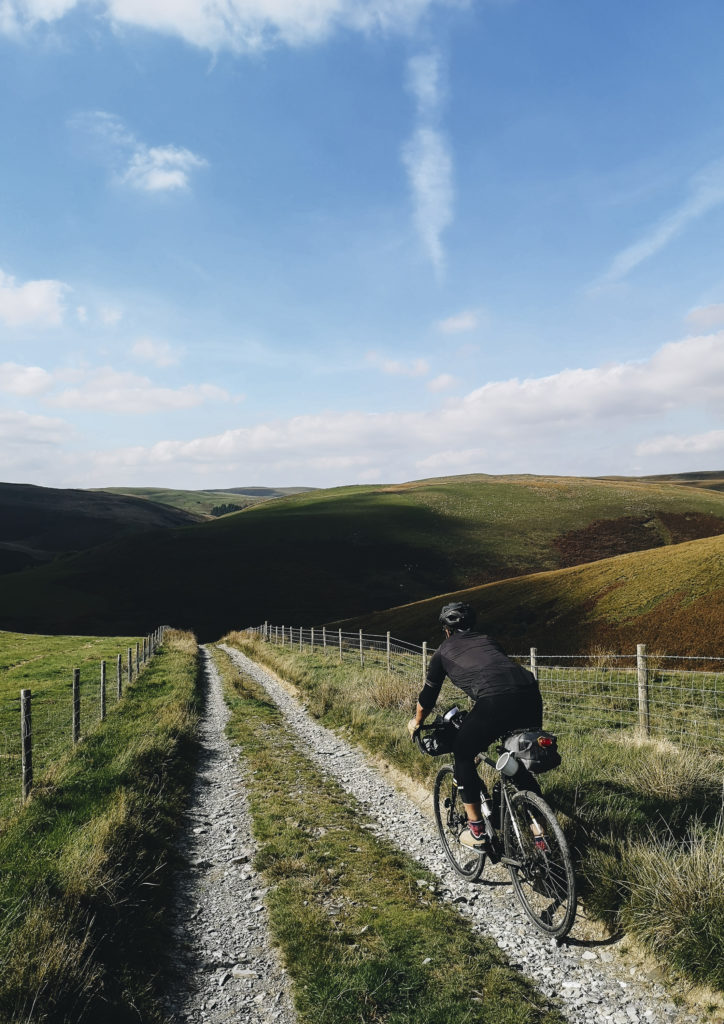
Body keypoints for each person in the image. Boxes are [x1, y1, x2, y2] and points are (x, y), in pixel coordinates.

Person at [407, 601, 542, 849]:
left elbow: (427, 698)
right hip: (530, 692)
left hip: (493, 699)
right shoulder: (489, 641)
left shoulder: (442, 652)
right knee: (516, 761)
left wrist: (416, 722)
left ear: (446, 630)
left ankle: (477, 831)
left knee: (463, 752)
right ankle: (540, 835)